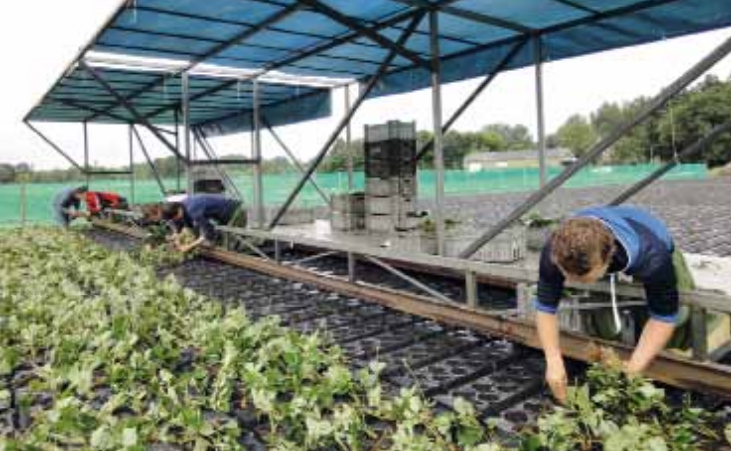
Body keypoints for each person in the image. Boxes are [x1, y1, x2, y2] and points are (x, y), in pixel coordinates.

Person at [534, 206, 692, 404]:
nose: (571, 280)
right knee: (602, 314)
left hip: (651, 233)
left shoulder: (653, 256)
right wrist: (554, 361)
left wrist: (635, 368)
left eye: (581, 277)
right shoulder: (556, 251)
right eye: (567, 275)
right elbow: (545, 307)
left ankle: (678, 348)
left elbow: (664, 317)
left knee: (679, 314)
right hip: (605, 230)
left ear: (607, 259)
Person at [161, 194, 246, 254]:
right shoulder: (183, 205)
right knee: (221, 242)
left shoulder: (193, 210)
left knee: (232, 247)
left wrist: (188, 247)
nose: (177, 219)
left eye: (176, 217)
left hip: (236, 211)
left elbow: (206, 234)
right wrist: (176, 238)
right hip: (223, 215)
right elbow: (185, 224)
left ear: (179, 210)